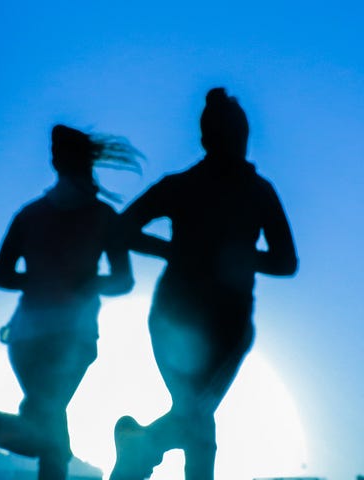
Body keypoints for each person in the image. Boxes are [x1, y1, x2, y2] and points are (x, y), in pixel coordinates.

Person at [0, 125, 140, 480]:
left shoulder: (30, 214)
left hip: (25, 336)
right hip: (72, 339)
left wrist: (40, 280)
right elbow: (124, 281)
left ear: (56, 161)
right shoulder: (103, 217)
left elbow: (0, 275)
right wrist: (86, 284)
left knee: (51, 430)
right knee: (53, 435)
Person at [108, 88, 299, 480]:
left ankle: (138, 447)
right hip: (189, 324)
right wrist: (175, 251)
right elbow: (119, 231)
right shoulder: (230, 190)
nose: (239, 146)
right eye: (234, 137)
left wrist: (187, 253)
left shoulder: (238, 190)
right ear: (212, 139)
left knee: (196, 420)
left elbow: (286, 261)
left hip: (212, 329)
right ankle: (139, 446)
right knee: (196, 419)